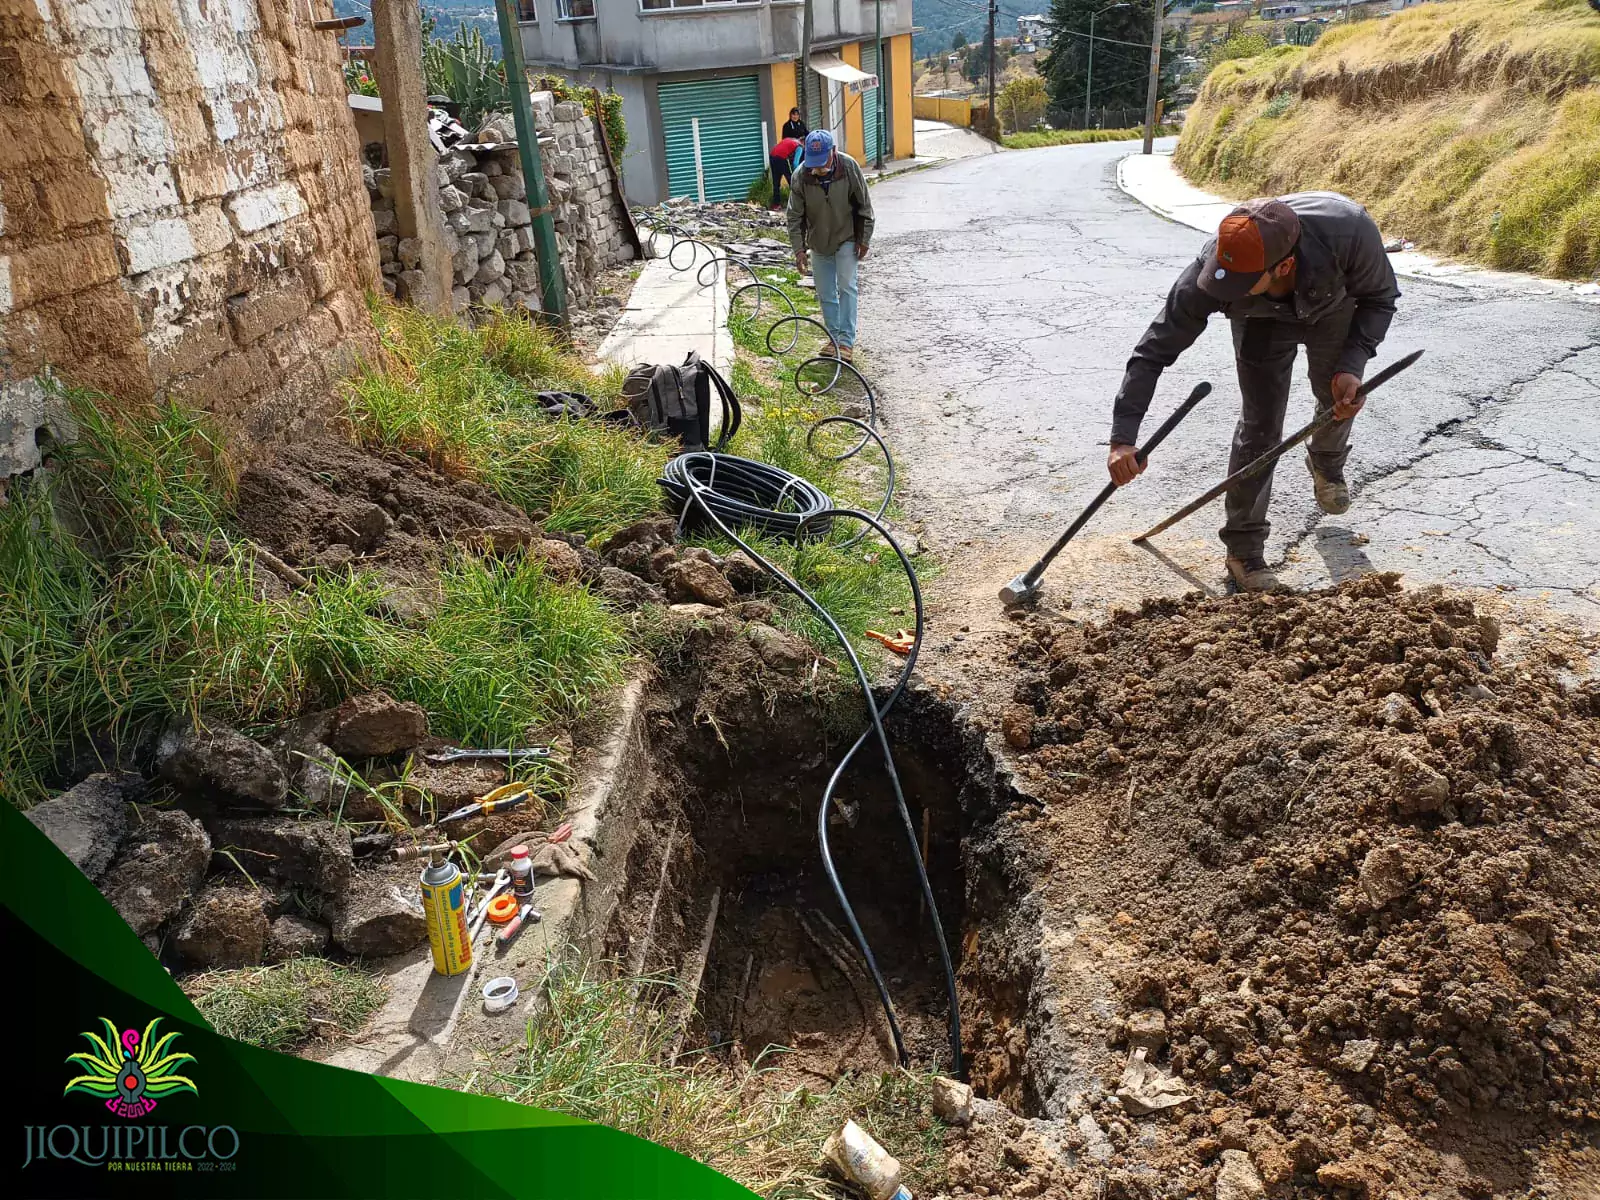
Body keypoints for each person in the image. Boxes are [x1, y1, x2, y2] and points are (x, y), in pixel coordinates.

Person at [1107, 193, 1399, 592]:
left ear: (1284, 265)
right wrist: (1123, 439)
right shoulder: (1218, 268)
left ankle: (1327, 463)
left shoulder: (1349, 230)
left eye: (1243, 283)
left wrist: (1353, 362)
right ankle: (1244, 550)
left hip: (1332, 304)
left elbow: (1380, 298)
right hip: (1261, 323)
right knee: (1261, 428)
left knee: (1338, 397)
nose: (1225, 291)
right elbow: (1152, 351)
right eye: (1223, 280)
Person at [787, 130, 874, 363]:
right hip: (818, 242)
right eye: (813, 164)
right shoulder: (800, 176)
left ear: (833, 152)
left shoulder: (849, 167)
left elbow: (865, 206)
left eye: (822, 162)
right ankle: (833, 339)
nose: (817, 169)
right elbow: (794, 216)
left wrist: (863, 239)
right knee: (826, 293)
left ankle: (846, 342)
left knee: (846, 286)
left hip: (846, 237)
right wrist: (798, 250)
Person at [768, 135, 802, 210]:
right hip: (782, 158)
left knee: (776, 183)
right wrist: (797, 174)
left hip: (772, 157)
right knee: (792, 181)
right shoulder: (799, 146)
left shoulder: (788, 140)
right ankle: (796, 203)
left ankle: (776, 205)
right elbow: (795, 163)